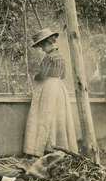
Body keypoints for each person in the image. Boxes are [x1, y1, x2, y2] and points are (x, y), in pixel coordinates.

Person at [23, 28, 78, 157]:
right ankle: (58, 146)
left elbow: (43, 75)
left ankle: (44, 148)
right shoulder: (61, 57)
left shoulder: (49, 58)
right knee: (57, 116)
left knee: (45, 115)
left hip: (48, 88)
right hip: (59, 87)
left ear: (48, 44)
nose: (42, 49)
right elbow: (64, 75)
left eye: (42, 46)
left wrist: (35, 76)